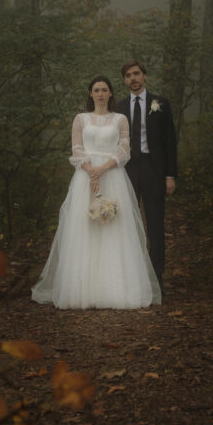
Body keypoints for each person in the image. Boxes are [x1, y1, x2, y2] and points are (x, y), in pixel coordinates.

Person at [31, 76, 161, 309]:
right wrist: (90, 171)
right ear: (90, 94)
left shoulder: (120, 119)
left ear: (111, 93)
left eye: (104, 90)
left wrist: (102, 169)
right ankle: (83, 289)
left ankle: (115, 289)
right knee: (85, 228)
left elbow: (124, 149)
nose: (100, 93)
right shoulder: (80, 119)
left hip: (112, 175)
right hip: (85, 177)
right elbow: (77, 148)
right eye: (96, 90)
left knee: (114, 228)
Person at [115, 60, 177, 289]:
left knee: (155, 223)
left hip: (154, 169)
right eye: (128, 75)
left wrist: (170, 175)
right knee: (127, 223)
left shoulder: (160, 104)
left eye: (136, 74)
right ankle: (131, 276)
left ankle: (156, 277)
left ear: (144, 76)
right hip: (126, 170)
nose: (133, 78)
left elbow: (170, 141)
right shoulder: (119, 108)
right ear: (124, 80)